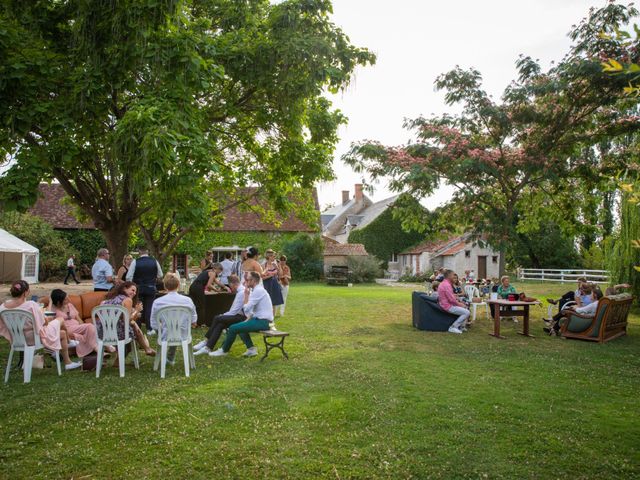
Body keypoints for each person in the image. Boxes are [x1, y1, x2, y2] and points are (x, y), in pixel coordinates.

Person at [0, 281, 81, 370]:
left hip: (16, 338)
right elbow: (42, 323)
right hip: (33, 338)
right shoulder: (31, 305)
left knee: (62, 333)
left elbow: (3, 325)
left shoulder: (3, 307)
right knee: (60, 320)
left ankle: (68, 356)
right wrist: (46, 320)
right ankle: (68, 353)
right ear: (26, 292)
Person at [210, 271, 273, 357]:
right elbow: (248, 312)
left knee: (232, 328)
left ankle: (224, 350)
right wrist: (247, 319)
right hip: (260, 320)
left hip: (263, 322)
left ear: (253, 281)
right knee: (239, 326)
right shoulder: (257, 290)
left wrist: (246, 296)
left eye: (247, 280)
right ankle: (251, 349)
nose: (245, 282)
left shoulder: (258, 291)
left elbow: (246, 308)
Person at [98, 282, 156, 362]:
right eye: (132, 290)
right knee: (132, 330)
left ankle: (146, 348)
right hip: (118, 334)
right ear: (124, 288)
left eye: (135, 292)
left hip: (103, 333)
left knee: (133, 326)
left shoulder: (105, 301)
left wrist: (134, 315)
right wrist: (136, 311)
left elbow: (117, 319)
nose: (134, 293)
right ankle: (147, 348)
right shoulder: (127, 300)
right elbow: (127, 320)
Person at [149, 273, 197, 365]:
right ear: (178, 285)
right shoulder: (187, 300)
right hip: (183, 334)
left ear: (164, 286)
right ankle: (170, 358)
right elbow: (194, 318)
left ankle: (169, 358)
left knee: (170, 329)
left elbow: (153, 323)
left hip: (165, 334)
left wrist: (160, 329)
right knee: (175, 328)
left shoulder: (157, 302)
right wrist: (191, 324)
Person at [50, 288, 111, 358]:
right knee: (90, 326)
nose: (69, 300)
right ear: (58, 302)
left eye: (67, 298)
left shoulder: (69, 305)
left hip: (77, 327)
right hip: (67, 329)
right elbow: (48, 317)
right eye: (66, 299)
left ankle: (97, 349)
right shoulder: (53, 309)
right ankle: (100, 349)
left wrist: (83, 328)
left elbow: (79, 319)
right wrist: (50, 302)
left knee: (87, 333)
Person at [194, 274, 246, 356]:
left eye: (230, 286)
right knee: (220, 324)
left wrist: (223, 315)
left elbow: (234, 311)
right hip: (239, 315)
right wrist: (224, 315)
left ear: (232, 284)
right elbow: (234, 311)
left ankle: (206, 341)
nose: (230, 288)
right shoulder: (241, 291)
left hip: (242, 317)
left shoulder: (241, 293)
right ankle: (208, 347)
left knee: (217, 318)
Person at [126, 247, 163, 335]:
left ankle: (137, 327)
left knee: (138, 308)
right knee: (149, 307)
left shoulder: (135, 262)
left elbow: (128, 277)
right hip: (151, 288)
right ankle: (149, 328)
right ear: (148, 252)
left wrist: (133, 285)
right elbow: (160, 275)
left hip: (138, 288)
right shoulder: (155, 261)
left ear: (139, 252)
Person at [437, 270, 470, 334]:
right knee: (467, 312)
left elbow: (450, 297)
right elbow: (451, 300)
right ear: (449, 276)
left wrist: (458, 300)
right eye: (453, 275)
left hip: (445, 304)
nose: (454, 276)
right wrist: (460, 304)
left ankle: (461, 327)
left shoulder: (444, 283)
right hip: (447, 306)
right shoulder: (447, 285)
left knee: (465, 306)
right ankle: (453, 327)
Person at [262, 249, 284, 316]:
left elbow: (280, 275)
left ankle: (272, 317)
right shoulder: (263, 265)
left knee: (274, 302)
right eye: (273, 256)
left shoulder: (275, 265)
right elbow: (261, 277)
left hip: (274, 284)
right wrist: (270, 276)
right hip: (267, 284)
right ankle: (266, 316)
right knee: (267, 301)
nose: (274, 258)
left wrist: (279, 266)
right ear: (269, 257)